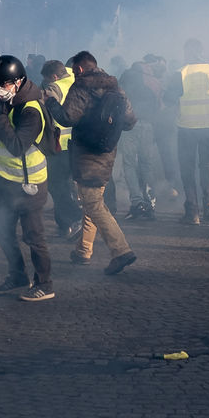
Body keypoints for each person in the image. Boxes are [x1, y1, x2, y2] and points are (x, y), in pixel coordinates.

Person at [45, 51, 138, 275]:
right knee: (92, 200)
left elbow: (67, 117)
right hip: (107, 152)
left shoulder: (81, 87)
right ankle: (83, 250)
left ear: (78, 69)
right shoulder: (115, 87)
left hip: (86, 154)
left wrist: (51, 102)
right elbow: (130, 121)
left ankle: (121, 251)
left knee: (93, 203)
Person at [0, 55, 54, 302]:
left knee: (33, 236)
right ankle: (17, 275)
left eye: (4, 84)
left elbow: (16, 146)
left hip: (29, 185)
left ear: (18, 81)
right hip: (4, 181)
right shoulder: (0, 99)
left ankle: (44, 284)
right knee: (0, 229)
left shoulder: (31, 110)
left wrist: (1, 116)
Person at [169, 38, 209, 224]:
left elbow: (169, 98)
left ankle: (192, 212)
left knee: (187, 168)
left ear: (187, 52)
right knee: (207, 166)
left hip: (187, 126)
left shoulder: (181, 72)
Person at [40, 60, 83, 239]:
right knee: (66, 185)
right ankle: (65, 225)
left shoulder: (54, 88)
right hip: (77, 143)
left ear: (54, 76)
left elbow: (45, 113)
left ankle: (77, 217)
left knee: (56, 186)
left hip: (59, 145)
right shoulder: (76, 80)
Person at [119, 56, 165, 220]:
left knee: (130, 164)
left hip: (130, 125)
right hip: (148, 126)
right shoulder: (154, 82)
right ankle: (150, 204)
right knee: (146, 165)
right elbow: (160, 107)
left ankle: (137, 203)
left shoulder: (127, 76)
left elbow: (119, 99)